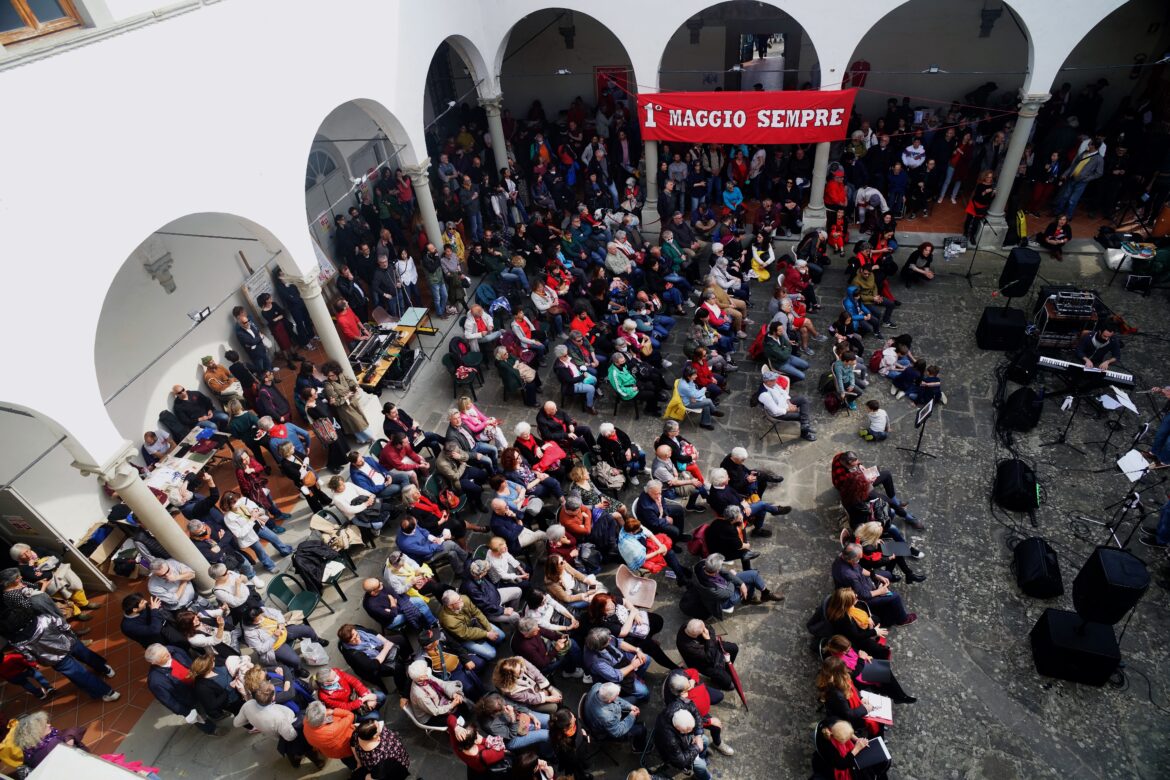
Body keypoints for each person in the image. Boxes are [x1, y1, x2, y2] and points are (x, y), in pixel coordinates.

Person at [235, 680, 325, 769]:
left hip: (275, 735)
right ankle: (317, 762)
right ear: (273, 697)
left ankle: (295, 764)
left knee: (289, 751)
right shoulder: (278, 717)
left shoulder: (247, 705)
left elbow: (237, 723)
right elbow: (291, 737)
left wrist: (253, 720)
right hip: (287, 732)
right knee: (302, 746)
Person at [832, 544, 916, 627]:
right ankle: (902, 619)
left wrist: (876, 576)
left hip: (863, 583)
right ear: (851, 560)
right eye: (858, 559)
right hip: (860, 598)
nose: (859, 561)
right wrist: (880, 591)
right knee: (895, 597)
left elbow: (860, 569)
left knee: (887, 575)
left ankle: (885, 603)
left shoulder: (843, 556)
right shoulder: (849, 575)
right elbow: (863, 595)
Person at [9, 543, 97, 619]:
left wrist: (44, 570)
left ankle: (84, 604)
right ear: (18, 559)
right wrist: (48, 568)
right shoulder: (22, 568)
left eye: (27, 551)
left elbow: (58, 557)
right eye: (23, 555)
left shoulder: (38, 550)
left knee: (76, 587)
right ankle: (78, 613)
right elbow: (37, 578)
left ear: (29, 548)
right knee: (63, 599)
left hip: (62, 574)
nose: (28, 555)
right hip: (50, 585)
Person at [144, 644, 216, 733]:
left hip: (199, 685)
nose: (168, 654)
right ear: (154, 662)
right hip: (190, 700)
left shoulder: (173, 650)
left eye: (166, 651)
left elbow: (190, 661)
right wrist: (186, 713)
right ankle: (211, 730)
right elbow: (169, 701)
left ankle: (216, 714)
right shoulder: (155, 681)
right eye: (163, 656)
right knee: (200, 717)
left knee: (210, 703)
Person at [241, 604, 327, 670]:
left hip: (284, 630)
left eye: (261, 616)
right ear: (251, 622)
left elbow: (277, 613)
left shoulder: (261, 611)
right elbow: (261, 649)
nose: (262, 619)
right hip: (275, 647)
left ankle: (317, 640)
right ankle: (298, 669)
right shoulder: (249, 633)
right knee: (295, 660)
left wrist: (281, 623)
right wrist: (274, 636)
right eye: (258, 620)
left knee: (308, 630)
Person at [583, 627, 649, 703]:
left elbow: (619, 643)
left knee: (646, 659)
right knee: (644, 692)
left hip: (619, 660)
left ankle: (636, 676)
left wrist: (637, 651)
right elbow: (615, 676)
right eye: (608, 640)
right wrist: (633, 666)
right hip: (613, 674)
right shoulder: (597, 662)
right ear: (601, 646)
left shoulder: (605, 638)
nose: (610, 639)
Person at [438, 590, 504, 660]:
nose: (462, 600)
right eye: (458, 601)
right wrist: (486, 634)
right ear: (450, 606)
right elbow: (466, 633)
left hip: (473, 624)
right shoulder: (448, 620)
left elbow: (477, 613)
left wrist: (489, 628)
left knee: (501, 636)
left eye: (459, 597)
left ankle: (487, 641)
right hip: (464, 637)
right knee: (491, 654)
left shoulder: (464, 599)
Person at [475, 691, 551, 753]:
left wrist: (532, 716)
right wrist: (512, 716)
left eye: (504, 704)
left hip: (519, 717)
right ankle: (548, 754)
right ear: (493, 714)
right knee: (547, 735)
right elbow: (511, 734)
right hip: (512, 739)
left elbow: (516, 706)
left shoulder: (496, 697)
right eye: (502, 709)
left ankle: (543, 745)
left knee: (549, 720)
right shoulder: (490, 725)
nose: (506, 707)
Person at [812, 719, 888, 779]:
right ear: (840, 740)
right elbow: (842, 764)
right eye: (847, 738)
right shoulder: (829, 748)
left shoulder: (834, 723)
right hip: (841, 766)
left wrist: (857, 739)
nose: (849, 739)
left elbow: (848, 732)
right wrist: (856, 749)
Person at [12, 711, 89, 769]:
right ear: (36, 733)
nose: (49, 725)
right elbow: (79, 730)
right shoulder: (53, 744)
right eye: (45, 726)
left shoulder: (28, 750)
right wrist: (69, 737)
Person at [676, 619, 738, 691]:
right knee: (728, 682)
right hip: (702, 663)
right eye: (703, 629)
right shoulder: (688, 647)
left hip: (709, 647)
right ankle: (718, 681)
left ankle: (728, 666)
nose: (705, 629)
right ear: (696, 635)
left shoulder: (691, 624)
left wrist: (709, 639)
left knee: (733, 648)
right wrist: (708, 639)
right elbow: (709, 658)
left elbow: (710, 629)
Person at [757, 367, 817, 441]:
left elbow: (783, 392)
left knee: (803, 399)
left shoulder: (772, 384)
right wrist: (789, 409)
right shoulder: (764, 395)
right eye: (774, 380)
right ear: (767, 382)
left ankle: (805, 425)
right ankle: (805, 434)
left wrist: (789, 403)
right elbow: (775, 411)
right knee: (802, 415)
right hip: (780, 413)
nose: (776, 381)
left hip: (785, 404)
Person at [654, 708, 712, 780]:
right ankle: (704, 777)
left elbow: (697, 719)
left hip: (684, 743)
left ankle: (701, 758)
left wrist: (697, 736)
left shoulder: (677, 711)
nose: (690, 731)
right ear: (678, 728)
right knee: (701, 766)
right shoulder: (670, 740)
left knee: (705, 740)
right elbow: (681, 761)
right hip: (678, 755)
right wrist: (696, 747)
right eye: (687, 730)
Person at [582, 681, 646, 746]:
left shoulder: (598, 687)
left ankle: (632, 722)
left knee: (634, 699)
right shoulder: (607, 717)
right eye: (616, 695)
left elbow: (616, 699)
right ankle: (638, 747)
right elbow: (617, 732)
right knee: (641, 730)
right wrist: (631, 716)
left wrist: (630, 706)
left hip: (596, 716)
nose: (618, 695)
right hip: (606, 732)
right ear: (609, 700)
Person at [493, 656, 563, 715]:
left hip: (536, 687)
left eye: (521, 667)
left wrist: (550, 689)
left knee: (559, 694)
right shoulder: (511, 690)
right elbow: (529, 698)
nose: (523, 669)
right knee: (553, 707)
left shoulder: (519, 661)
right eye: (520, 671)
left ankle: (563, 711)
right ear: (511, 677)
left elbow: (536, 673)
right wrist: (547, 698)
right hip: (529, 700)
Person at [322, 361, 371, 443]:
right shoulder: (328, 386)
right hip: (344, 408)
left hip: (353, 402)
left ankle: (362, 439)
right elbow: (335, 402)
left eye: (332, 375)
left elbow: (351, 382)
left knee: (360, 420)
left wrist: (355, 387)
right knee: (356, 423)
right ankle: (369, 437)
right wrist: (345, 397)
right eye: (328, 376)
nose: (330, 377)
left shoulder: (342, 375)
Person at [361, 577, 434, 632]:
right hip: (391, 621)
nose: (381, 583)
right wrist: (393, 602)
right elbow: (392, 615)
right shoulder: (372, 605)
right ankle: (423, 627)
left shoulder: (380, 587)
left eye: (379, 582)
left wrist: (393, 606)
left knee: (419, 601)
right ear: (373, 592)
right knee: (414, 610)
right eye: (379, 586)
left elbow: (395, 594)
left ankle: (432, 623)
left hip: (398, 605)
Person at [407, 658, 465, 726]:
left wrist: (454, 693)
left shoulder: (425, 677)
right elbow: (434, 711)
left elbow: (442, 684)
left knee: (461, 701)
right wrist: (451, 705)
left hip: (438, 702)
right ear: (421, 678)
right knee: (455, 720)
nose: (428, 669)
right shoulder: (419, 694)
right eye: (426, 670)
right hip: (429, 716)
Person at [314, 666, 385, 721]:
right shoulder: (325, 697)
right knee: (375, 716)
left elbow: (354, 682)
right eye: (335, 677)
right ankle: (370, 710)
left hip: (355, 695)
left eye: (335, 673)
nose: (338, 676)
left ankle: (372, 707)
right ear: (327, 683)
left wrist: (366, 695)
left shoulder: (335, 671)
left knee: (381, 696)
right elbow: (345, 707)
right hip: (351, 708)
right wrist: (365, 699)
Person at [303, 701, 358, 770]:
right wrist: (333, 711)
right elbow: (350, 715)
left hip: (332, 752)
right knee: (354, 761)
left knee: (346, 761)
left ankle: (353, 769)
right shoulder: (333, 730)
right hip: (346, 748)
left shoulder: (306, 723)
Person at [232, 306, 273, 373]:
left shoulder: (248, 319)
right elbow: (251, 342)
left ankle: (271, 375)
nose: (245, 313)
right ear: (238, 316)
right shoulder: (238, 329)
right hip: (255, 353)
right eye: (243, 312)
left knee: (268, 363)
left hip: (260, 347)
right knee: (261, 369)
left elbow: (256, 331)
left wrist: (259, 338)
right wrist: (259, 338)